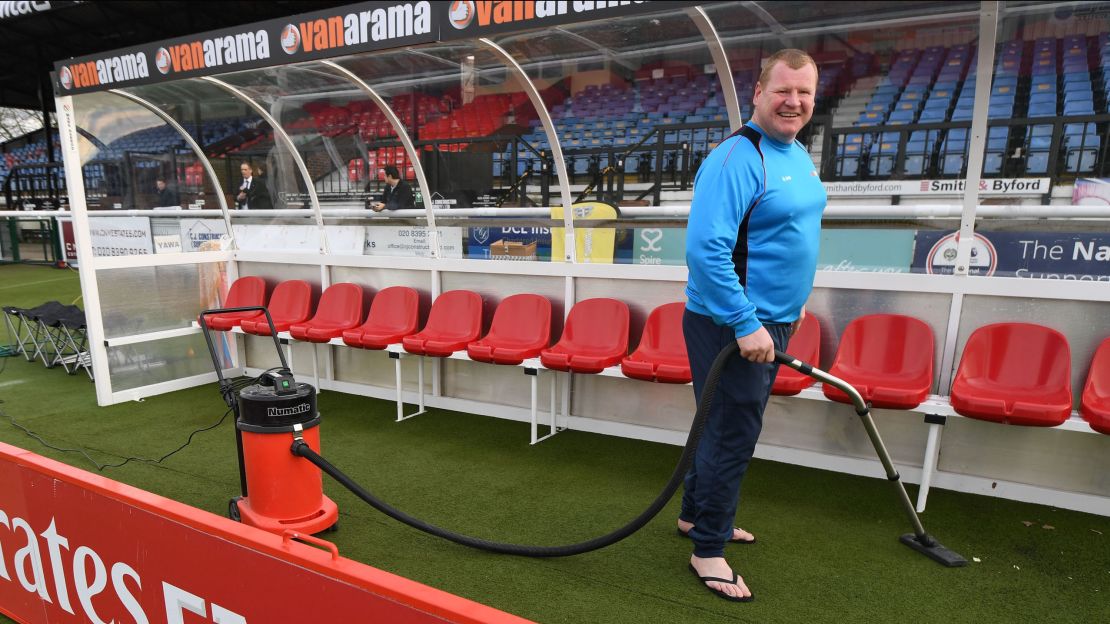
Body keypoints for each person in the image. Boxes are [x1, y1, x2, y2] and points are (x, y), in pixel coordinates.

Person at [680, 49, 827, 603]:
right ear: (759, 93)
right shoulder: (737, 157)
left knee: (718, 425)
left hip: (771, 319)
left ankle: (697, 518)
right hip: (734, 324)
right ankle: (709, 550)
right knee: (731, 432)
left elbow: (787, 233)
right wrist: (746, 321)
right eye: (783, 91)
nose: (794, 102)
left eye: (805, 93)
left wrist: (794, 303)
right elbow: (706, 252)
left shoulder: (793, 152)